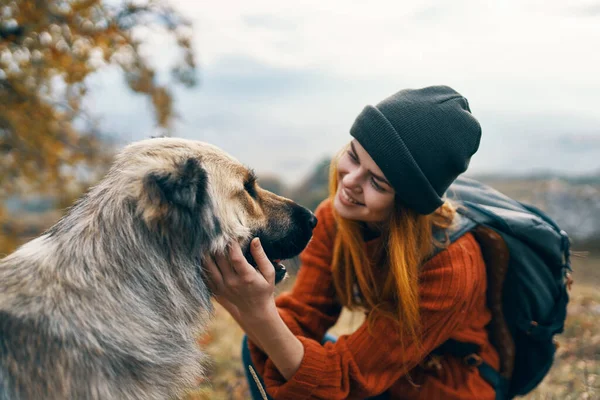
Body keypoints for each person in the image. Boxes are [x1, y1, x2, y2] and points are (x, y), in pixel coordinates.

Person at [203, 85, 500, 399]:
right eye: (353, 156)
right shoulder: (335, 219)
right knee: (264, 348)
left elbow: (347, 380)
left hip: (443, 387)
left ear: (405, 204)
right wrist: (246, 301)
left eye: (376, 182)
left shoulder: (453, 267)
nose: (350, 181)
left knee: (275, 343)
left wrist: (257, 312)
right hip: (383, 373)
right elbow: (304, 317)